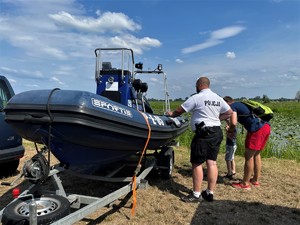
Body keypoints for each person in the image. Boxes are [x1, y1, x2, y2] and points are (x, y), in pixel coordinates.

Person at [167, 77, 232, 202]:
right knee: (212, 162)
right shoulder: (217, 98)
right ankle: (209, 193)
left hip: (203, 133)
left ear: (199, 85)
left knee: (197, 163)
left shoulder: (197, 97)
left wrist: (172, 114)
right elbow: (229, 112)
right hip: (216, 132)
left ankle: (196, 194)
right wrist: (217, 119)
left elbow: (180, 110)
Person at [224, 96, 271, 190]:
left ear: (226, 103)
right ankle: (255, 180)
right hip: (266, 127)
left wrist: (230, 131)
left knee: (249, 156)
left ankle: (245, 183)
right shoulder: (241, 104)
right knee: (256, 155)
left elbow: (233, 123)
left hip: (257, 129)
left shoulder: (232, 107)